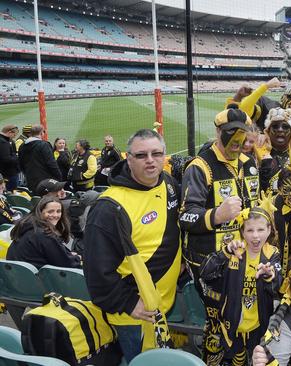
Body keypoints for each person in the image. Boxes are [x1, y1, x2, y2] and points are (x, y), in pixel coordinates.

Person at [83, 129, 181, 362]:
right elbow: (96, 271)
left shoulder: (167, 182)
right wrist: (127, 303)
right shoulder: (109, 207)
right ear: (128, 158)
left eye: (156, 153)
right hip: (135, 317)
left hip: (162, 306)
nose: (150, 160)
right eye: (141, 155)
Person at [180, 106, 260, 360]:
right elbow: (185, 216)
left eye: (242, 134)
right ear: (217, 132)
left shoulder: (249, 163)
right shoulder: (200, 166)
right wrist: (216, 215)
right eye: (231, 133)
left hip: (244, 256)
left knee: (242, 318)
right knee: (218, 324)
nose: (237, 140)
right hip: (210, 262)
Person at [198, 197, 282, 365]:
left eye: (260, 229)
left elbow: (278, 287)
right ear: (242, 232)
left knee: (255, 359)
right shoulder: (234, 250)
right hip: (232, 324)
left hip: (259, 326)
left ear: (269, 230)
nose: (256, 235)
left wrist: (268, 276)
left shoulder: (272, 253)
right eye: (250, 230)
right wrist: (225, 253)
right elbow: (204, 272)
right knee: (235, 359)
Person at [7, 195, 80, 269]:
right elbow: (68, 264)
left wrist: (67, 255)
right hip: (36, 278)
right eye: (50, 211)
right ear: (40, 212)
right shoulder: (44, 234)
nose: (55, 215)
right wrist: (77, 258)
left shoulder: (26, 227)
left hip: (16, 277)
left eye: (58, 211)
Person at [258, 107, 291, 194]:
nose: (280, 130)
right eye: (275, 126)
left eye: (285, 127)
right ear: (268, 131)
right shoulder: (257, 148)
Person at [17, 124, 61, 193]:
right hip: (46, 181)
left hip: (30, 179)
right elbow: (51, 163)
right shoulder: (44, 145)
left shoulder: (22, 146)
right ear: (41, 133)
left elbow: (20, 164)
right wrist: (59, 177)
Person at [0, 124, 19, 191]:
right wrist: (17, 157)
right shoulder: (3, 142)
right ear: (9, 132)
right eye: (14, 135)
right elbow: (6, 159)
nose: (14, 137)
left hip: (4, 174)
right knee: (10, 194)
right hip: (8, 174)